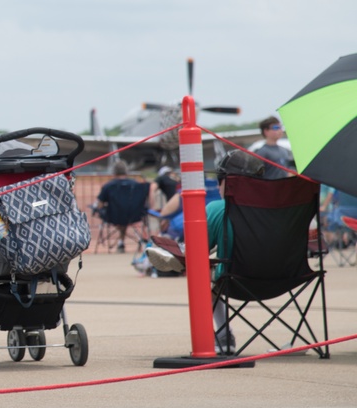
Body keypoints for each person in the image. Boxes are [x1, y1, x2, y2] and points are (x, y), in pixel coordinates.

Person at [146, 149, 265, 353]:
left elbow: (200, 249)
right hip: (290, 275)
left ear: (228, 183)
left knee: (202, 271)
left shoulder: (218, 208)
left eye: (220, 180)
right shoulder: (279, 208)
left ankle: (224, 334)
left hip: (236, 278)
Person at [91, 161, 145, 252]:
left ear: (114, 172)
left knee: (118, 216)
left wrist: (95, 208)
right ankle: (124, 239)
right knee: (124, 218)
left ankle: (121, 240)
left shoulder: (108, 186)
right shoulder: (136, 185)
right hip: (135, 214)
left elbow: (99, 204)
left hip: (113, 215)